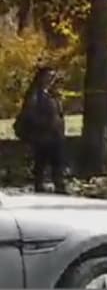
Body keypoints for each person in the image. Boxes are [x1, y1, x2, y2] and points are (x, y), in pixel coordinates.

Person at [16, 66, 67, 194]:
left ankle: (59, 185)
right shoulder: (35, 95)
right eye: (48, 76)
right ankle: (39, 185)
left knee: (58, 160)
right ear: (40, 78)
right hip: (42, 134)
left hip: (55, 134)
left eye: (52, 77)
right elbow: (29, 114)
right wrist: (46, 123)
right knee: (41, 160)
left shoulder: (52, 94)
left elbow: (59, 112)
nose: (50, 79)